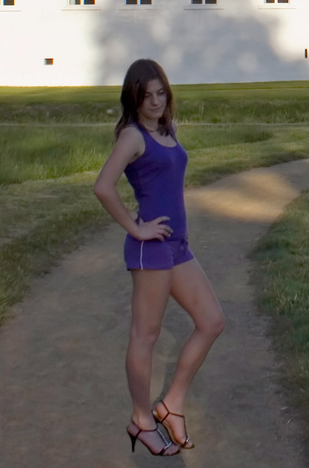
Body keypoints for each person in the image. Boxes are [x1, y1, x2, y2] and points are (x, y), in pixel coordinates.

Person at [93, 58, 225, 456]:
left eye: (160, 93)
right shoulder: (133, 137)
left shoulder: (167, 129)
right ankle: (141, 419)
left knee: (212, 321)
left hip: (177, 246)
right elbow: (103, 187)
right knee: (145, 336)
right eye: (145, 95)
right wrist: (136, 229)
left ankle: (171, 404)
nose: (154, 101)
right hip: (151, 249)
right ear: (133, 99)